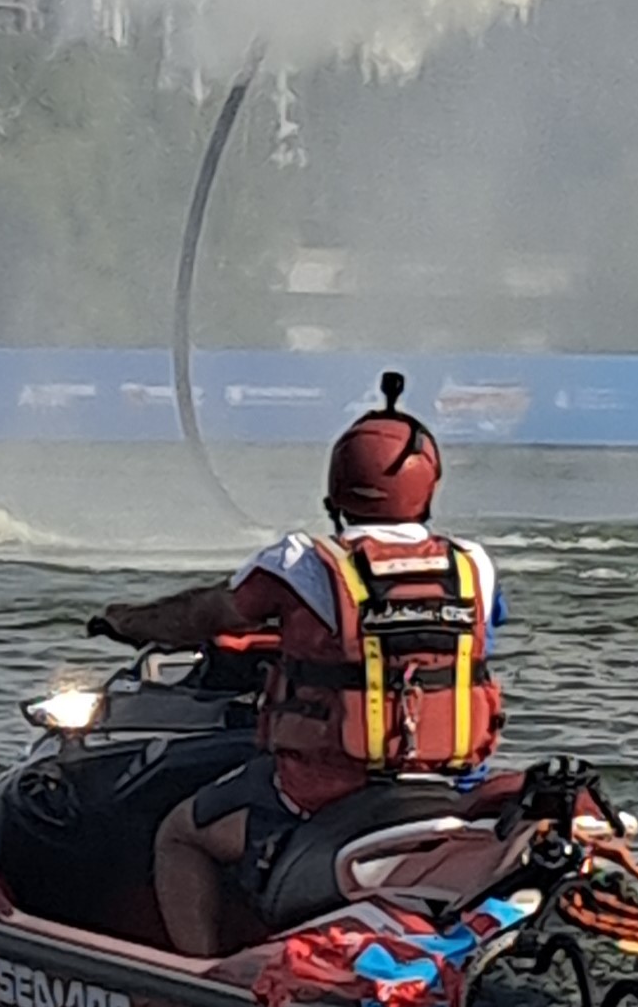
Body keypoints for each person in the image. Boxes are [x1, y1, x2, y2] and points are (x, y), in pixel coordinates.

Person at [88, 373, 504, 958]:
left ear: (335, 492)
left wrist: (127, 619)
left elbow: (210, 614)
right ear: (428, 491)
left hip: (322, 792)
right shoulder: (472, 566)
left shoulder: (302, 563)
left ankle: (203, 976)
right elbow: (475, 633)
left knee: (180, 833)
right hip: (445, 785)